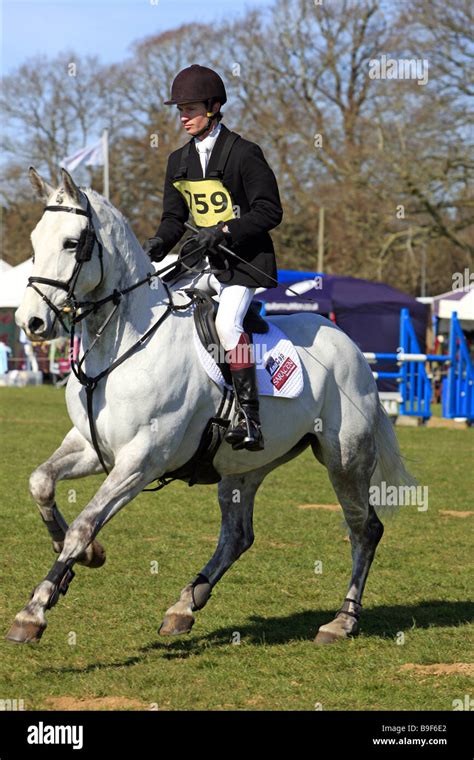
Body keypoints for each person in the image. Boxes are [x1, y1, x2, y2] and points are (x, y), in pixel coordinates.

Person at [143, 64, 283, 451]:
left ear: (214, 106)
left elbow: (270, 210)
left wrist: (224, 230)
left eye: (190, 108)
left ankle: (250, 418)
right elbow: (174, 219)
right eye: (180, 109)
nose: (183, 116)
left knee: (226, 323)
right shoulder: (178, 160)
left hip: (242, 262)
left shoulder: (244, 154)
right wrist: (158, 241)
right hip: (201, 260)